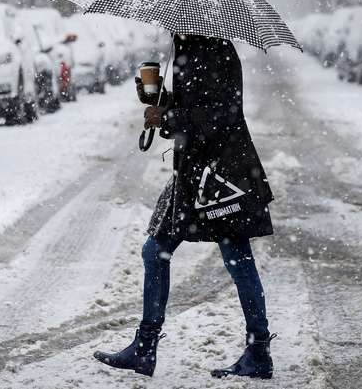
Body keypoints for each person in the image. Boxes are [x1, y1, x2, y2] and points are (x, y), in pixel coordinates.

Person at [93, 33, 275, 379]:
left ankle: (257, 351)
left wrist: (169, 118)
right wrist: (162, 98)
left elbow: (221, 113)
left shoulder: (211, 48)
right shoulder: (191, 45)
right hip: (198, 171)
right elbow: (200, 103)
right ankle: (147, 350)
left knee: (233, 258)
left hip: (219, 176)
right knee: (160, 250)